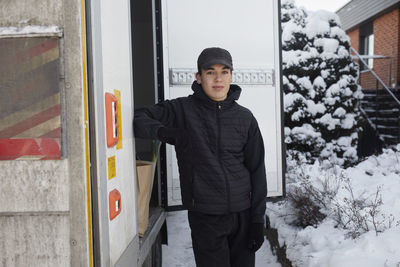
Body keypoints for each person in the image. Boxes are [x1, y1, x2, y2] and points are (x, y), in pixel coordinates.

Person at [134, 47, 267, 267]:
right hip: (206, 217)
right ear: (198, 77)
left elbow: (257, 169)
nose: (218, 79)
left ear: (231, 76)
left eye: (224, 72)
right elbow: (138, 117)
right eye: (210, 72)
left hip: (242, 216)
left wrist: (257, 220)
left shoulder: (245, 118)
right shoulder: (181, 110)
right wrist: (166, 132)